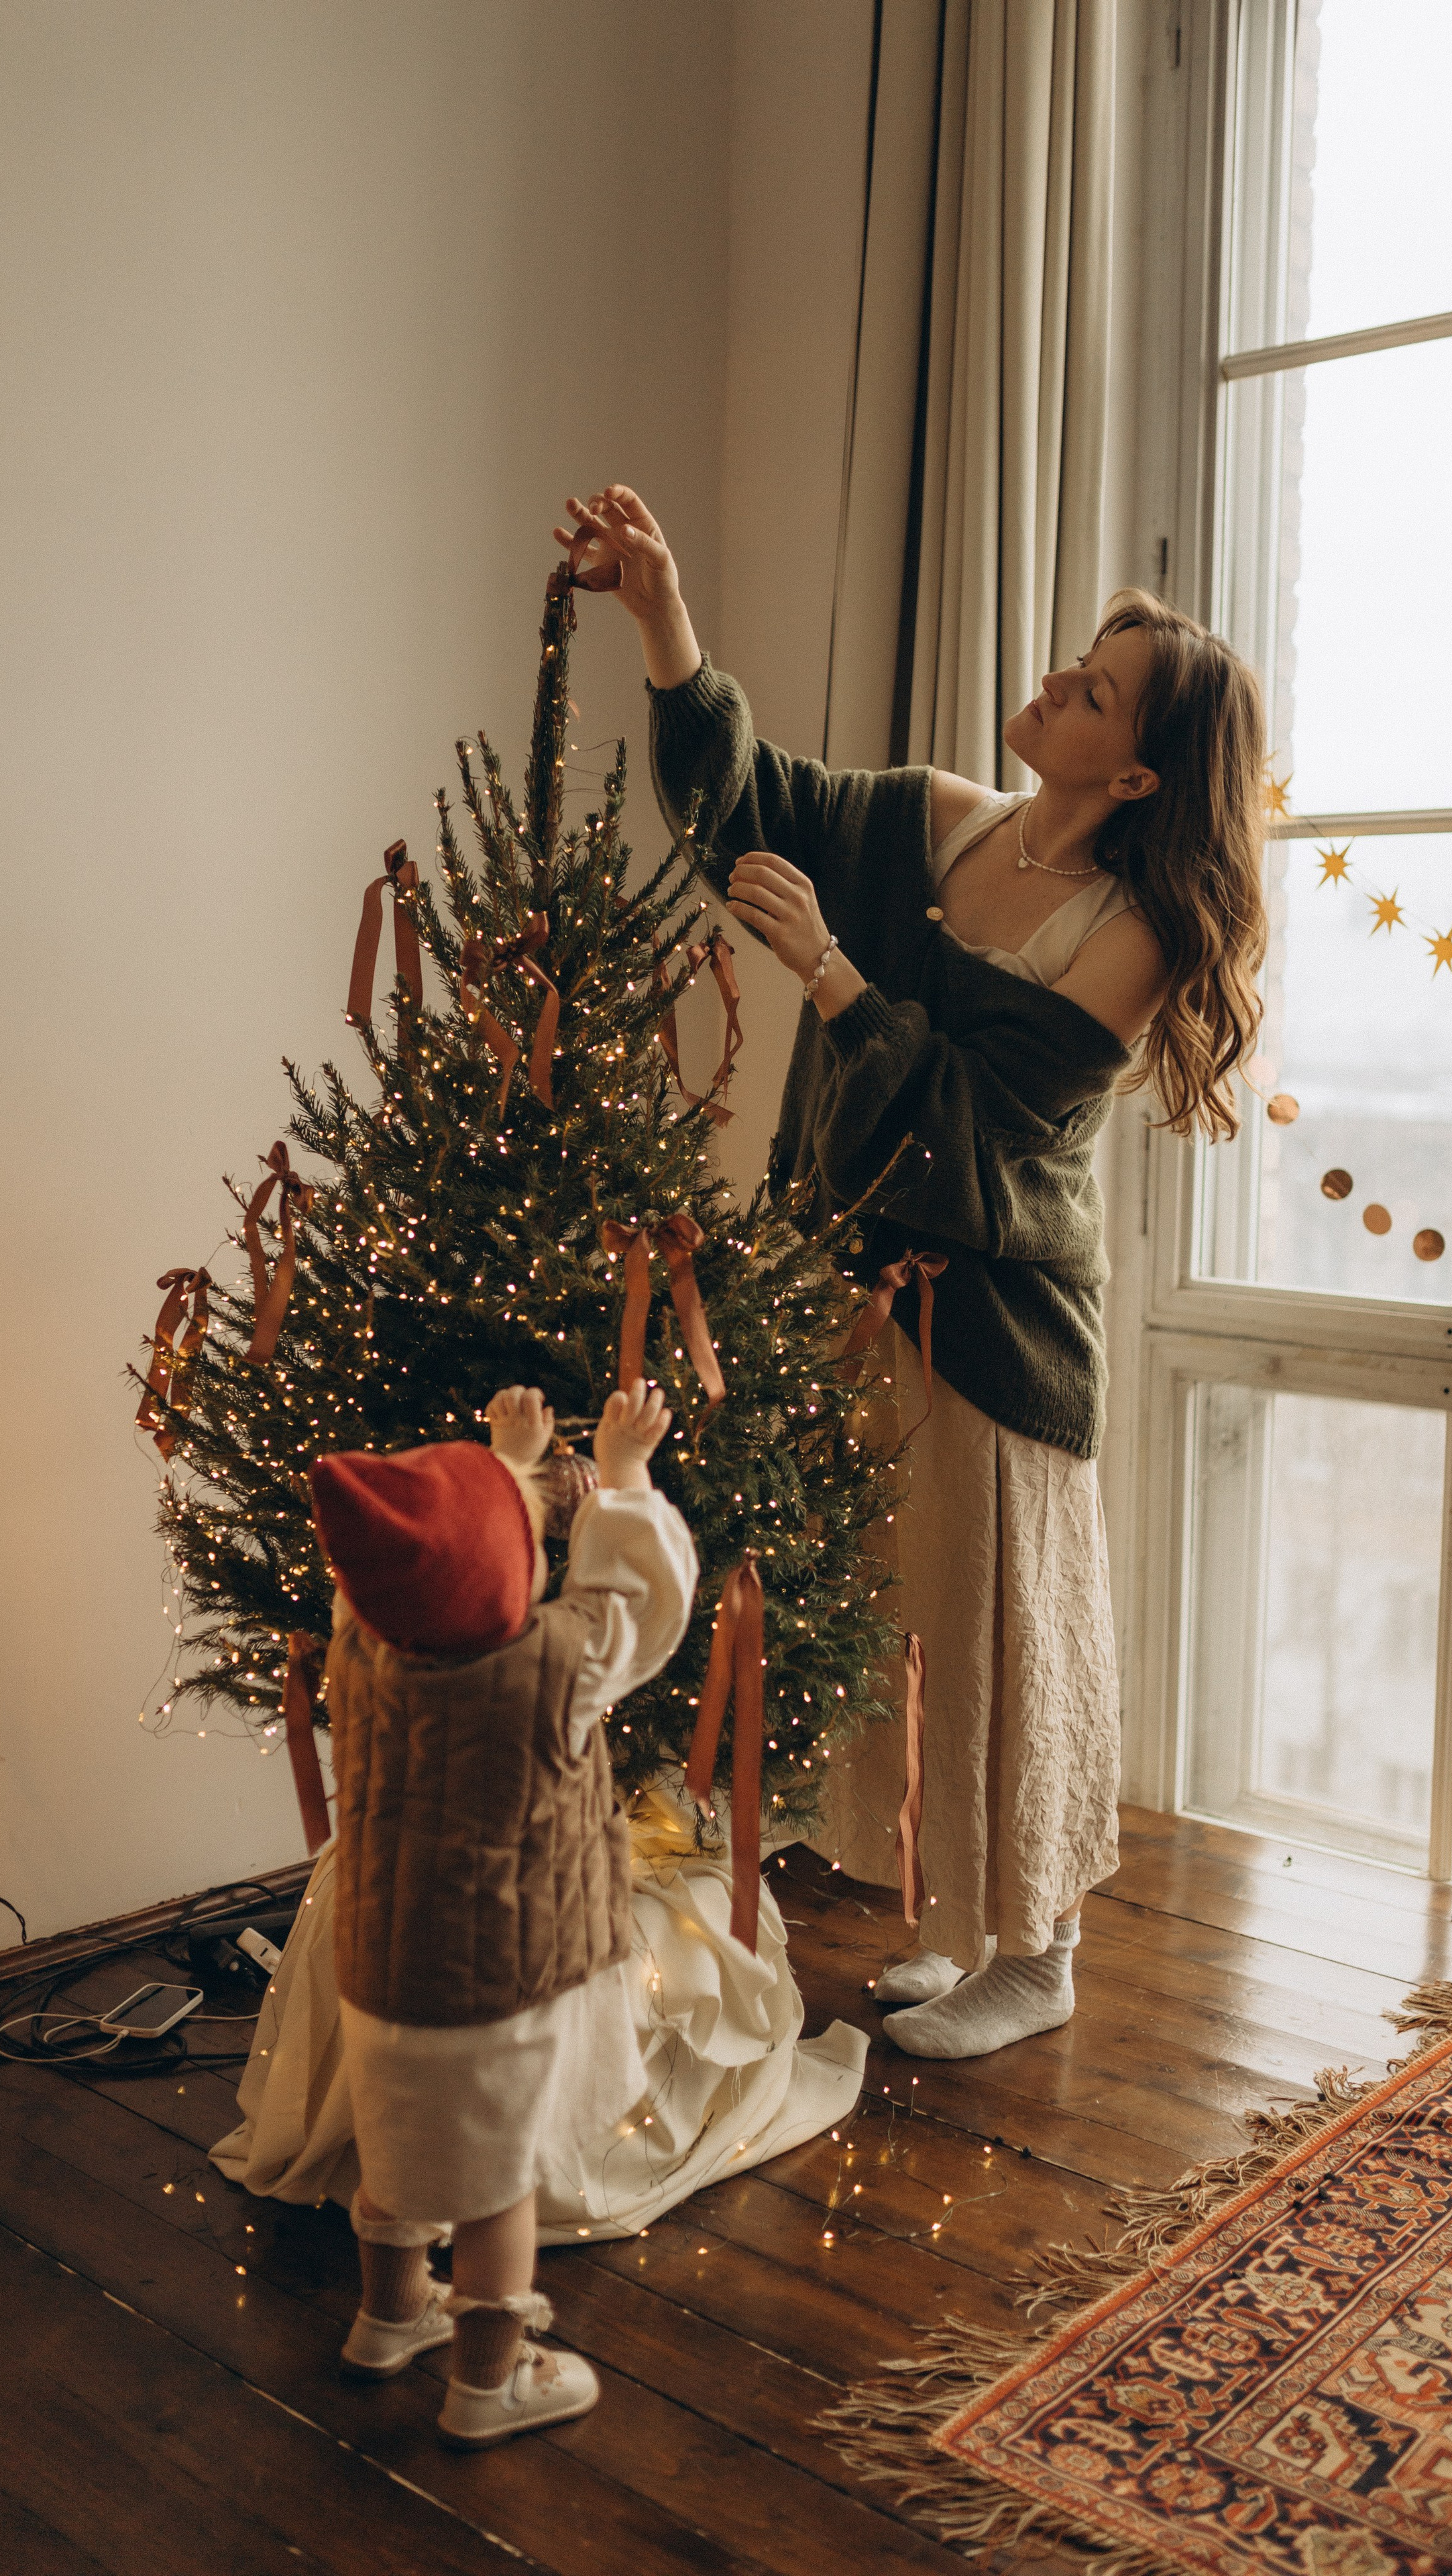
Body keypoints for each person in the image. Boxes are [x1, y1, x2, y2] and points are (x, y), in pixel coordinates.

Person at [553, 482, 1266, 2061]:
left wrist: (828, 971)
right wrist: (663, 617)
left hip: (997, 1328)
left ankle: (1040, 1947)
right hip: (851, 1299)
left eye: (1096, 690)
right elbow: (745, 807)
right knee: (896, 1624)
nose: (1058, 680)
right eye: (1077, 659)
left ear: (1135, 773)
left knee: (1000, 1631)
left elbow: (980, 1130)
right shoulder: (937, 817)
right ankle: (953, 1919)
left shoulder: (1130, 932)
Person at [313, 1375, 695, 2445]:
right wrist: (622, 1475)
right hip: (497, 1993)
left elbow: (411, 1561)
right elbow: (640, 1600)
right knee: (497, 2188)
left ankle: (389, 2320)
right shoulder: (556, 1666)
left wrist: (511, 1463)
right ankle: (488, 2384)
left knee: (396, 2152)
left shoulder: (360, 1644)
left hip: (384, 1975)